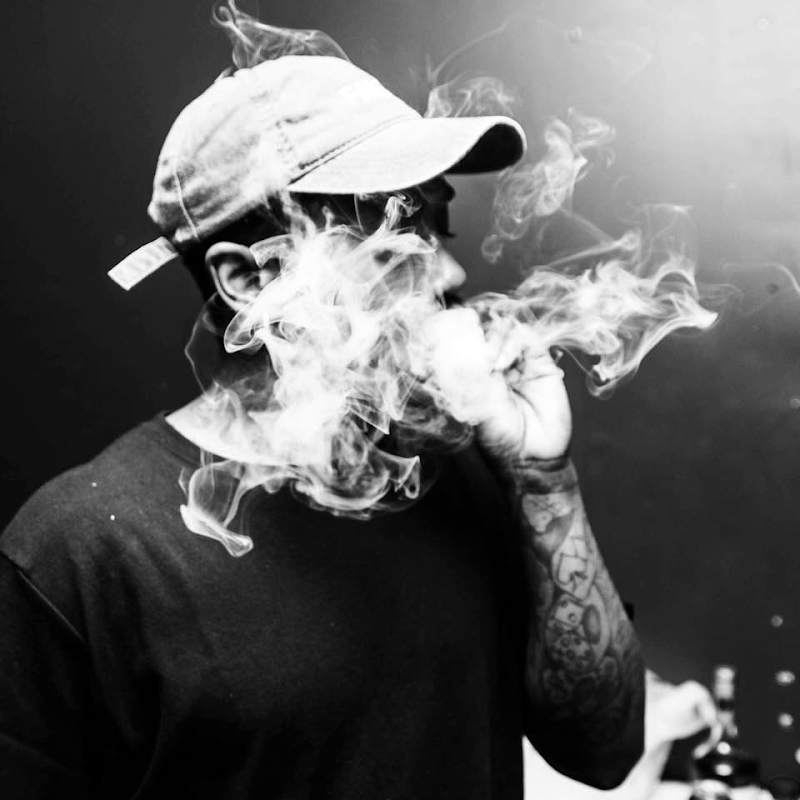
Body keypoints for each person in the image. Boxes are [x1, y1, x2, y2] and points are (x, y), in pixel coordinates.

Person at [0, 9, 644, 799]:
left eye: (437, 224)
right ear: (251, 280)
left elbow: (605, 753)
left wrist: (544, 479)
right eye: (397, 234)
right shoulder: (81, 556)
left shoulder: (460, 470)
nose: (447, 272)